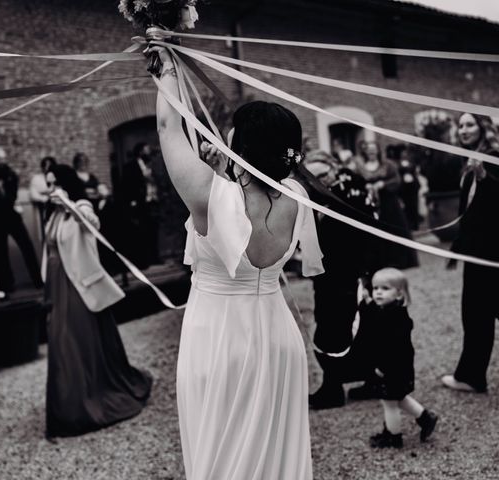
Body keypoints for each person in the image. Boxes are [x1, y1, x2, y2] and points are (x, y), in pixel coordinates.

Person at [151, 45, 324, 479]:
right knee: (274, 453)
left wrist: (167, 68)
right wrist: (229, 172)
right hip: (277, 338)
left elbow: (167, 126)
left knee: (222, 451)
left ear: (237, 143)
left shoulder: (208, 196)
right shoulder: (299, 197)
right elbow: (254, 201)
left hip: (219, 339)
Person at [42, 164, 152, 439]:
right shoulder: (53, 214)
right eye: (48, 184)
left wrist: (69, 204)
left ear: (66, 183)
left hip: (78, 284)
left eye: (54, 183)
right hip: (57, 284)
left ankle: (84, 402)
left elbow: (92, 223)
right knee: (59, 339)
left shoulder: (79, 205)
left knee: (75, 339)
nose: (51, 189)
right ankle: (65, 404)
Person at [302, 150, 383, 410]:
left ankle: (340, 385)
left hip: (351, 269)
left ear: (334, 168)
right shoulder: (311, 194)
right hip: (326, 271)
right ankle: (340, 382)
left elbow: (370, 232)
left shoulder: (354, 191)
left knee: (357, 323)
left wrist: (369, 273)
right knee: (327, 321)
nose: (321, 182)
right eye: (314, 178)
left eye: (324, 175)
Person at [442, 113, 499, 394]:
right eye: (461, 125)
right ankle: (471, 375)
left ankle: (471, 376)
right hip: (480, 249)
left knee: (477, 313)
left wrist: (484, 177)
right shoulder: (472, 158)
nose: (464, 130)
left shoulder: (492, 156)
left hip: (490, 251)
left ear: (483, 128)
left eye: (470, 124)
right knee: (479, 313)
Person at [361, 268, 438, 448]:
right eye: (375, 288)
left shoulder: (394, 318)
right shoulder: (387, 310)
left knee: (389, 403)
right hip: (397, 368)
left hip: (392, 368)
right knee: (398, 397)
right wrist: (367, 303)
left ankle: (393, 437)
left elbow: (393, 348)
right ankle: (425, 417)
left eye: (385, 288)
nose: (378, 292)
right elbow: (372, 317)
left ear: (399, 294)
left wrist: (383, 367)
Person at [0, 147, 43, 292]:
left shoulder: (10, 174)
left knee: (27, 246)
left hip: (11, 215)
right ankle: (8, 284)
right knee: (1, 252)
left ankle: (38, 279)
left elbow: (11, 197)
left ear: (5, 159)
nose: (0, 161)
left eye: (2, 158)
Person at [354, 141, 418, 269]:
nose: (371, 152)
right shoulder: (361, 167)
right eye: (369, 150)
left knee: (393, 227)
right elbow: (356, 181)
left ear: (378, 151)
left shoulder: (388, 165)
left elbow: (397, 180)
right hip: (370, 203)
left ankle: (398, 260)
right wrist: (365, 186)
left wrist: (383, 184)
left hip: (388, 202)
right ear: (365, 152)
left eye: (374, 150)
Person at [121, 142, 161, 269]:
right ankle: (144, 260)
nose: (149, 153)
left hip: (153, 201)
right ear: (140, 152)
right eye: (146, 150)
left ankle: (155, 257)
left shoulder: (153, 164)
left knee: (154, 229)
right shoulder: (131, 166)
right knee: (142, 231)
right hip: (139, 202)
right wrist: (132, 201)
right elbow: (127, 185)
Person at [29, 156, 57, 239]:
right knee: (44, 233)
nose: (47, 168)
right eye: (45, 166)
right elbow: (33, 195)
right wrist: (45, 198)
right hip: (42, 209)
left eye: (50, 166)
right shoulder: (37, 179)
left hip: (55, 209)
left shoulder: (56, 178)